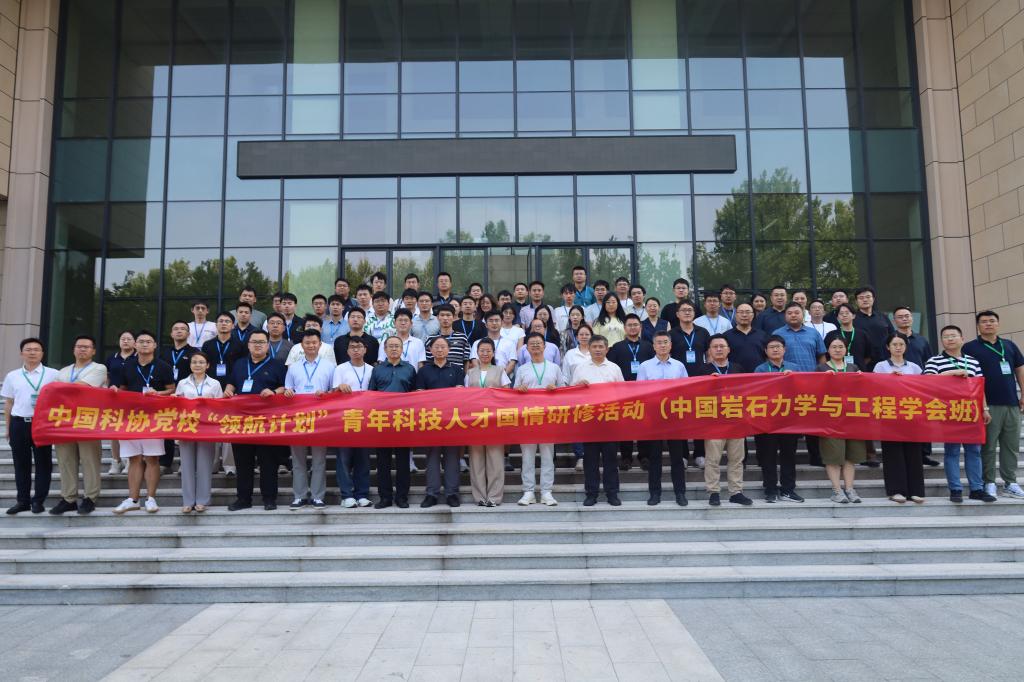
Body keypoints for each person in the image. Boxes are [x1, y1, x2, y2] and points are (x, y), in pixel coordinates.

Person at [924, 325, 995, 503]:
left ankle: (977, 489)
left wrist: (985, 409)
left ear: (962, 339)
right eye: (946, 336)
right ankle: (955, 489)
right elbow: (926, 381)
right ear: (941, 341)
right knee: (952, 451)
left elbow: (980, 387)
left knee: (974, 451)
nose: (950, 339)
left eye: (953, 335)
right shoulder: (934, 361)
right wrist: (953, 372)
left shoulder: (973, 361)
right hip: (949, 412)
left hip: (971, 411)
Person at [112, 331, 175, 514]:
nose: (145, 344)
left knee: (152, 458)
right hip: (131, 418)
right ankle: (133, 499)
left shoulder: (163, 366)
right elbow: (122, 389)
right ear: (135, 345)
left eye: (148, 341)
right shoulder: (127, 366)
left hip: (154, 418)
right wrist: (115, 391)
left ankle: (151, 498)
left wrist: (158, 393)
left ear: (155, 345)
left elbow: (172, 389)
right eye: (141, 341)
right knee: (134, 459)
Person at [224, 330, 288, 511]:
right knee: (243, 462)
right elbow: (232, 383)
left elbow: (286, 387)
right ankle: (243, 499)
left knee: (268, 462)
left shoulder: (277, 365)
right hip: (242, 421)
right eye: (254, 342)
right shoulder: (239, 364)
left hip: (267, 422)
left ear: (267, 345)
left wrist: (274, 392)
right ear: (248, 345)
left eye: (261, 342)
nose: (257, 345)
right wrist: (228, 390)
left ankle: (269, 499)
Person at [963, 310, 1024, 499]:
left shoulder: (1009, 345)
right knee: (988, 446)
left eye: (992, 321)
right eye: (984, 321)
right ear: (978, 326)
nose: (988, 324)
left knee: (1011, 445)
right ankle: (988, 482)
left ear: (998, 324)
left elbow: (1019, 369)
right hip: (987, 405)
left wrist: (1023, 393)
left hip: (1011, 403)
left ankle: (1010, 482)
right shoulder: (970, 348)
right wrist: (981, 406)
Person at [50, 335, 108, 515]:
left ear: (93, 351)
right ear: (73, 349)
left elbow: (80, 387)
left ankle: (90, 497)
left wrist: (61, 388)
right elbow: (55, 392)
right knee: (65, 460)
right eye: (79, 346)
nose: (82, 349)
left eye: (86, 347)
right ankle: (69, 498)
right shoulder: (63, 371)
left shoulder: (99, 368)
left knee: (90, 460)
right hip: (64, 421)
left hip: (87, 420)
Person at [3, 338, 60, 515]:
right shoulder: (12, 376)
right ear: (21, 353)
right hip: (19, 423)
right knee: (21, 464)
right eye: (28, 349)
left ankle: (38, 501)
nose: (32, 352)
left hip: (43, 424)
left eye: (36, 349)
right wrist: (8, 428)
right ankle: (23, 501)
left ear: (42, 353)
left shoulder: (53, 374)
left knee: (44, 463)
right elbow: (9, 403)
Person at [283, 329, 336, 510]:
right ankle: (299, 496)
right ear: (302, 345)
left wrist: (326, 394)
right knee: (298, 460)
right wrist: (288, 392)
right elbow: (288, 389)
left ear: (320, 344)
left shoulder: (329, 366)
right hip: (298, 417)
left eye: (314, 342)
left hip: (320, 418)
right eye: (307, 343)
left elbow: (334, 392)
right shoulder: (293, 367)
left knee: (319, 460)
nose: (311, 346)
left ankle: (317, 496)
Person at [699, 335, 752, 506]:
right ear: (709, 351)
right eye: (715, 347)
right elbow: (696, 394)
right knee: (712, 459)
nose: (719, 349)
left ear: (729, 349)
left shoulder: (738, 368)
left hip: (736, 420)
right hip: (713, 421)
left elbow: (748, 390)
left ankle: (736, 492)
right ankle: (713, 491)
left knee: (736, 459)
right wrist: (708, 382)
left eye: (722, 346)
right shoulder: (703, 370)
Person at [637, 331, 688, 506]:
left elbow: (687, 390)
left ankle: (680, 493)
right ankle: (654, 493)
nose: (662, 345)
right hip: (654, 417)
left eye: (665, 342)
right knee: (654, 457)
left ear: (670, 345)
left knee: (677, 458)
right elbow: (640, 392)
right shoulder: (645, 366)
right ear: (654, 346)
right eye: (659, 342)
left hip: (674, 416)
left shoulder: (679, 366)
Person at [572, 335, 624, 506]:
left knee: (611, 459)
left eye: (601, 346)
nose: (598, 349)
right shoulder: (580, 368)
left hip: (609, 419)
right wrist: (578, 387)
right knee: (590, 460)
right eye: (594, 346)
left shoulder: (614, 368)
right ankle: (591, 493)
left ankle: (612, 493)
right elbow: (571, 393)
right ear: (589, 348)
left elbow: (623, 393)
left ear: (607, 349)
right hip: (589, 420)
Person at [874, 334, 926, 503]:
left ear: (906, 346)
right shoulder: (880, 366)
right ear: (888, 347)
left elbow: (923, 389)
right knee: (892, 453)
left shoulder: (914, 367)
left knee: (913, 453)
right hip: (890, 414)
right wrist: (890, 379)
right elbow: (874, 388)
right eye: (894, 344)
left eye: (901, 344)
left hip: (911, 414)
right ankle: (896, 490)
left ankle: (916, 491)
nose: (898, 347)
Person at [514, 333, 564, 506]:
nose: (535, 346)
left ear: (545, 346)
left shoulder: (554, 368)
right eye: (532, 344)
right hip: (528, 418)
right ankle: (528, 491)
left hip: (548, 417)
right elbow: (514, 393)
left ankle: (546, 492)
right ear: (527, 348)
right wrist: (520, 390)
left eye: (538, 343)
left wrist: (555, 389)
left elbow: (563, 392)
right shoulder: (522, 369)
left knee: (547, 456)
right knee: (527, 457)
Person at [415, 336, 465, 508]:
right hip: (432, 420)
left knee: (452, 458)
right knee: (432, 458)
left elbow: (460, 394)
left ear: (449, 350)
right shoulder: (424, 371)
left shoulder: (457, 370)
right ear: (430, 350)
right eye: (436, 347)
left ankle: (452, 493)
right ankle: (432, 494)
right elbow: (420, 395)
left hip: (452, 420)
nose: (439, 350)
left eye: (443, 347)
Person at [816, 336, 867, 503]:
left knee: (850, 456)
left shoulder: (853, 368)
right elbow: (813, 393)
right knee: (833, 456)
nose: (837, 350)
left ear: (846, 350)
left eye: (840, 347)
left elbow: (863, 391)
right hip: (830, 419)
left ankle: (850, 489)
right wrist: (823, 380)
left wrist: (862, 379)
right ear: (828, 350)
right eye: (834, 347)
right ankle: (837, 491)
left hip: (852, 418)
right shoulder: (821, 369)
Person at [369, 335, 418, 508]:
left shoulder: (410, 369)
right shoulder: (377, 369)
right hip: (382, 420)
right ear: (385, 349)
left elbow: (416, 395)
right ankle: (385, 497)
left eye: (397, 346)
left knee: (403, 461)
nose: (394, 348)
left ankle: (402, 497)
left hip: (403, 420)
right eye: (391, 346)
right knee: (383, 462)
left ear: (402, 349)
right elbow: (371, 394)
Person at [754, 336, 804, 503]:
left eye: (778, 346)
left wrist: (793, 379)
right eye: (771, 347)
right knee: (768, 457)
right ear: (765, 351)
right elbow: (756, 393)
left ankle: (788, 489)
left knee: (789, 455)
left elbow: (803, 391)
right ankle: (770, 490)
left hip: (789, 420)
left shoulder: (794, 368)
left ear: (784, 349)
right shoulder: (760, 369)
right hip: (767, 420)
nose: (775, 349)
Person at [174, 352, 223, 513]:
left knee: (204, 465)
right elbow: (177, 406)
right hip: (187, 428)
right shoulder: (182, 383)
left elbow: (220, 407)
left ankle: (202, 500)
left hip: (207, 429)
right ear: (190, 365)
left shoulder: (215, 384)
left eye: (201, 362)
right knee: (187, 465)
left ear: (207, 365)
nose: (197, 365)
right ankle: (188, 501)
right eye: (194, 362)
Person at [465, 338, 511, 506]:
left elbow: (507, 393)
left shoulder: (500, 371)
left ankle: (494, 497)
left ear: (493, 353)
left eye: (488, 351)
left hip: (494, 420)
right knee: (476, 460)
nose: (485, 353)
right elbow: (464, 396)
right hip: (475, 420)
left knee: (495, 459)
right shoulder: (470, 373)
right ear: (477, 353)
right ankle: (479, 497)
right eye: (482, 351)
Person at [608, 314, 655, 470]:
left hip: (645, 392)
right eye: (630, 325)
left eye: (636, 325)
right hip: (623, 392)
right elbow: (611, 368)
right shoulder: (617, 347)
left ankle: (644, 456)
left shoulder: (648, 346)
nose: (633, 327)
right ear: (624, 328)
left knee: (645, 424)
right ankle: (626, 457)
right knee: (625, 425)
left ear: (640, 327)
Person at [332, 337, 373, 508]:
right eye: (352, 347)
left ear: (365, 350)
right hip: (345, 419)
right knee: (343, 458)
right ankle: (347, 495)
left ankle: (362, 494)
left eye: (359, 346)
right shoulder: (340, 369)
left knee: (363, 459)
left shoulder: (372, 370)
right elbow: (332, 393)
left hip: (366, 419)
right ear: (347, 351)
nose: (356, 349)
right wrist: (339, 387)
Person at [561, 324, 592, 472]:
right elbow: (565, 376)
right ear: (577, 337)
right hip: (576, 394)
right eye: (581, 334)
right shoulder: (570, 354)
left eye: (587, 334)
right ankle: (580, 456)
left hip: (595, 396)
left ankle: (592, 455)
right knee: (577, 426)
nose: (584, 337)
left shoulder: (596, 351)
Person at [104, 329, 136, 474]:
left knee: (129, 430)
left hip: (132, 398)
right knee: (114, 431)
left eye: (129, 339)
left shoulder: (138, 357)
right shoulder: (112, 358)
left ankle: (129, 460)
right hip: (114, 399)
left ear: (135, 342)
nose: (125, 341)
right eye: (123, 339)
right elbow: (107, 376)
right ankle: (116, 461)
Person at [773, 302, 825, 372]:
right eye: (789, 313)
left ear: (803, 315)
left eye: (797, 313)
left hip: (811, 375)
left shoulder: (814, 333)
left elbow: (821, 355)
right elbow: (772, 357)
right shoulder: (777, 334)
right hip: (786, 375)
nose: (793, 315)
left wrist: (822, 374)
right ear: (785, 316)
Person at [852, 285, 894, 368]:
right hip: (863, 362)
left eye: (868, 297)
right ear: (856, 301)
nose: (865, 300)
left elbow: (892, 336)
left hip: (885, 360)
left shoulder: (882, 317)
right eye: (861, 298)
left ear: (873, 299)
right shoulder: (852, 319)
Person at [470, 310, 518, 377]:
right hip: (482, 378)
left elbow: (512, 362)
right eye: (491, 320)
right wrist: (483, 376)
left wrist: (501, 377)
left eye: (497, 320)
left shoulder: (510, 343)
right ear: (486, 324)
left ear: (502, 323)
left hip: (503, 377)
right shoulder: (477, 343)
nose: (494, 323)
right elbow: (474, 361)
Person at [723, 303, 767, 373]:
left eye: (747, 312)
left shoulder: (762, 335)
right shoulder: (726, 336)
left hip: (758, 375)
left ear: (753, 315)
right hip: (734, 375)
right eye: (741, 312)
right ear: (736, 315)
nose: (744, 315)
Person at [425, 303, 470, 370]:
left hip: (457, 375)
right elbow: (428, 361)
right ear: (437, 317)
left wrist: (465, 375)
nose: (445, 318)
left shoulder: (462, 338)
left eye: (448, 315)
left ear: (453, 317)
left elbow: (466, 360)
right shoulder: (430, 339)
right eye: (442, 315)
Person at [826, 303, 871, 370]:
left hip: (859, 372)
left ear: (854, 316)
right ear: (837, 318)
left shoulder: (863, 334)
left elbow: (868, 356)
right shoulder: (831, 335)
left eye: (847, 313)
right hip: (837, 372)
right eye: (841, 313)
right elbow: (826, 355)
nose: (844, 315)